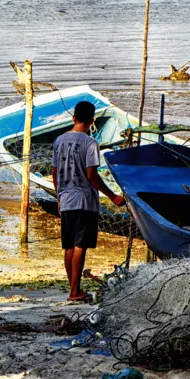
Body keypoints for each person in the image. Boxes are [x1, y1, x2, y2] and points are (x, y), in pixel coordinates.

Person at [51, 101, 125, 302]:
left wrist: (59, 196)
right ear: (92, 121)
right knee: (80, 245)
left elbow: (55, 173)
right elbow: (92, 175)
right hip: (84, 199)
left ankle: (74, 288)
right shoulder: (89, 143)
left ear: (74, 118)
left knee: (68, 246)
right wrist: (113, 196)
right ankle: (74, 291)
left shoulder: (59, 141)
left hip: (65, 198)